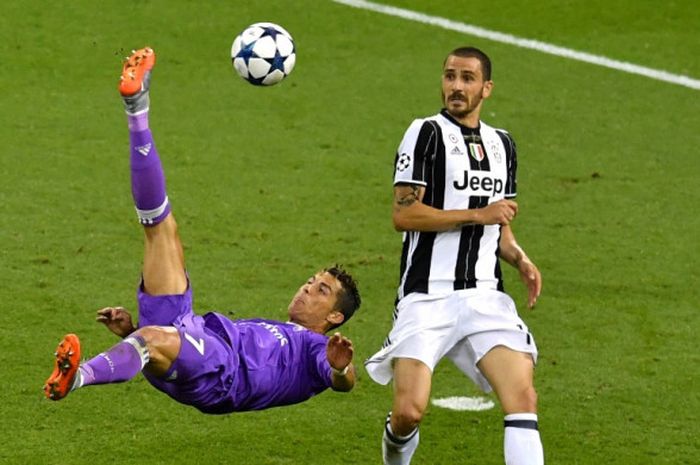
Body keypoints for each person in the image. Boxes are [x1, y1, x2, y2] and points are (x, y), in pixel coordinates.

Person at [43, 47, 361, 414]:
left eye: (321, 290)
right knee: (161, 228)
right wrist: (129, 331)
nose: (307, 287)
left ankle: (76, 377)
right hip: (193, 331)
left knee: (151, 339)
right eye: (311, 280)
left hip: (221, 372)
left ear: (335, 316)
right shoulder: (280, 329)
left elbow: (344, 383)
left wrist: (340, 367)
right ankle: (137, 108)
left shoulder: (315, 349)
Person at [365, 47, 544, 465]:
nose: (456, 87)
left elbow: (499, 222)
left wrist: (518, 258)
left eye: (467, 78)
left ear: (487, 88)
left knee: (523, 397)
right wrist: (478, 214)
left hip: (485, 296)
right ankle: (395, 453)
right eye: (450, 77)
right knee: (409, 411)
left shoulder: (504, 145)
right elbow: (404, 214)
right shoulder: (425, 132)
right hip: (426, 296)